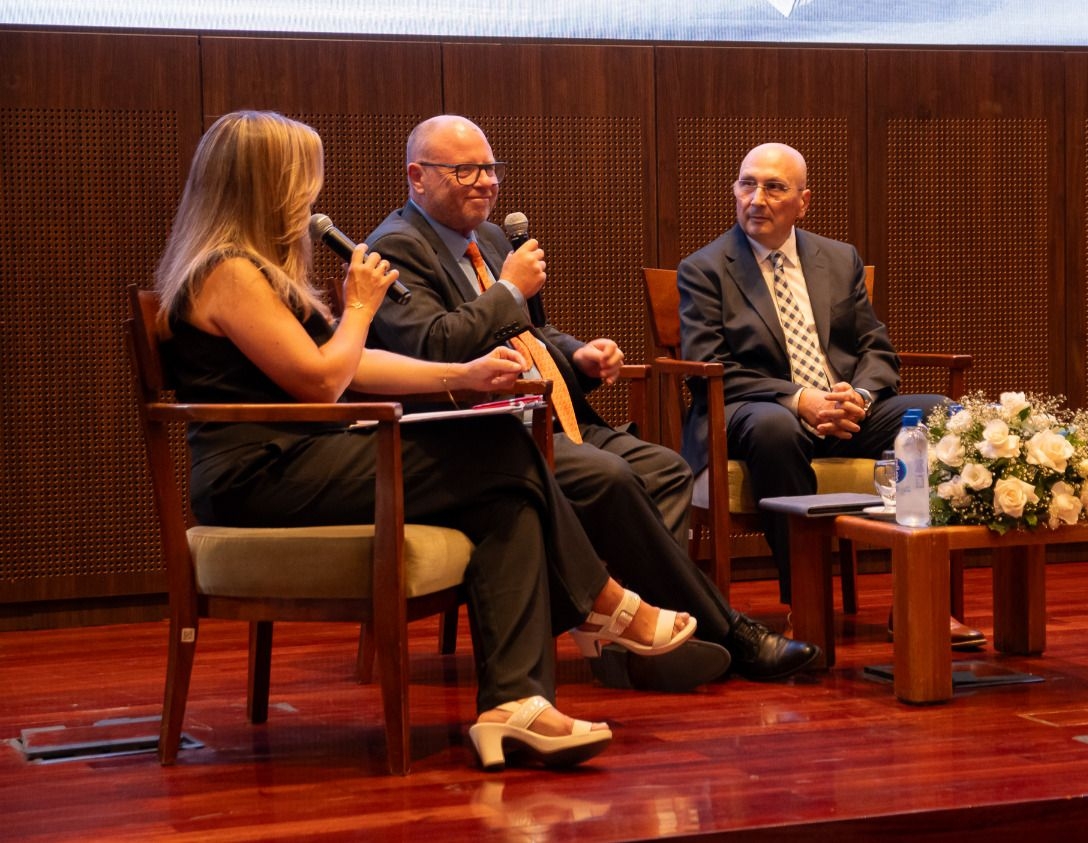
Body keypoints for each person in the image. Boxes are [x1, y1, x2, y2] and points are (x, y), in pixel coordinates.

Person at [153, 110, 702, 771]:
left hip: (304, 458)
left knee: (506, 498)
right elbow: (324, 382)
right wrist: (359, 307)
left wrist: (459, 375)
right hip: (261, 474)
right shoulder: (226, 270)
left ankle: (515, 706)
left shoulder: (261, 268)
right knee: (499, 450)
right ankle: (603, 603)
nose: (311, 197)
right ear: (264, 183)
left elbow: (350, 364)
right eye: (304, 180)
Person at [364, 115, 819, 683]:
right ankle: (723, 631)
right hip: (474, 436)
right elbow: (432, 346)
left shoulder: (492, 240)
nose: (486, 181)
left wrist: (579, 355)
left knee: (666, 469)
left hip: (545, 416)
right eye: (466, 170)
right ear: (417, 177)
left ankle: (639, 642)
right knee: (610, 476)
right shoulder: (393, 249)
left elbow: (531, 336)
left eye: (491, 168)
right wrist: (508, 289)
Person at [676, 142, 986, 650]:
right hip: (755, 414)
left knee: (943, 416)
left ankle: (921, 601)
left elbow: (875, 348)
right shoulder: (705, 268)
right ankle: (807, 603)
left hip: (845, 410)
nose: (757, 198)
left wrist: (858, 397)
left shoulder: (839, 259)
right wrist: (800, 400)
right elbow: (710, 368)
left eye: (774, 187)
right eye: (747, 184)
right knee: (775, 428)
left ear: (803, 201)